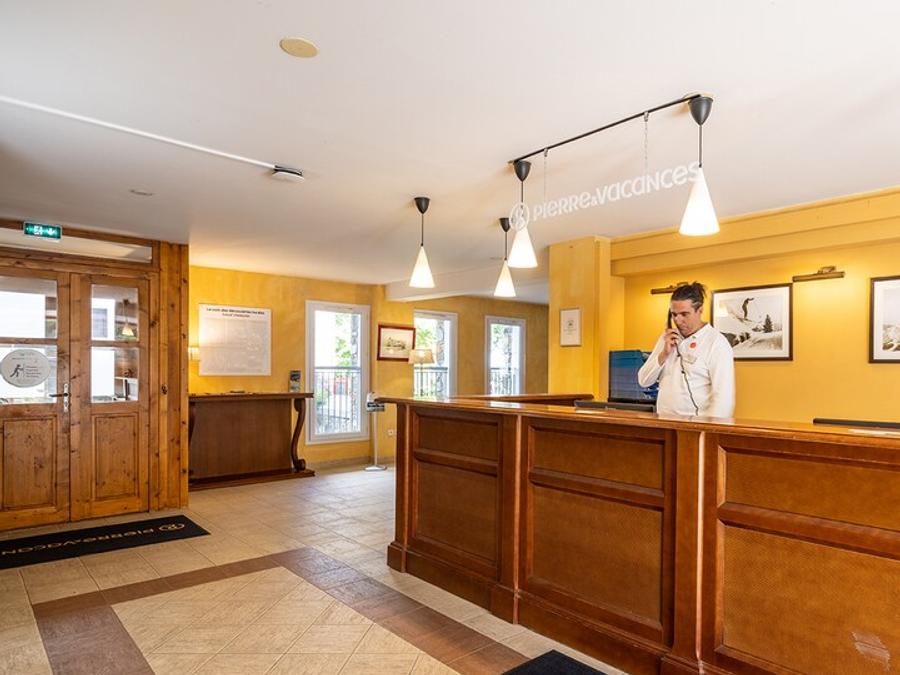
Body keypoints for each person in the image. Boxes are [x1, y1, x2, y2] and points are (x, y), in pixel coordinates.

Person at [637, 282, 735, 418]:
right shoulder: (667, 338)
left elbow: (723, 399)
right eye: (674, 314)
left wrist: (707, 429)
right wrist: (664, 354)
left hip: (696, 425)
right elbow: (643, 380)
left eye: (684, 314)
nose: (678, 320)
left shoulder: (716, 343)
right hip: (664, 422)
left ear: (700, 310)